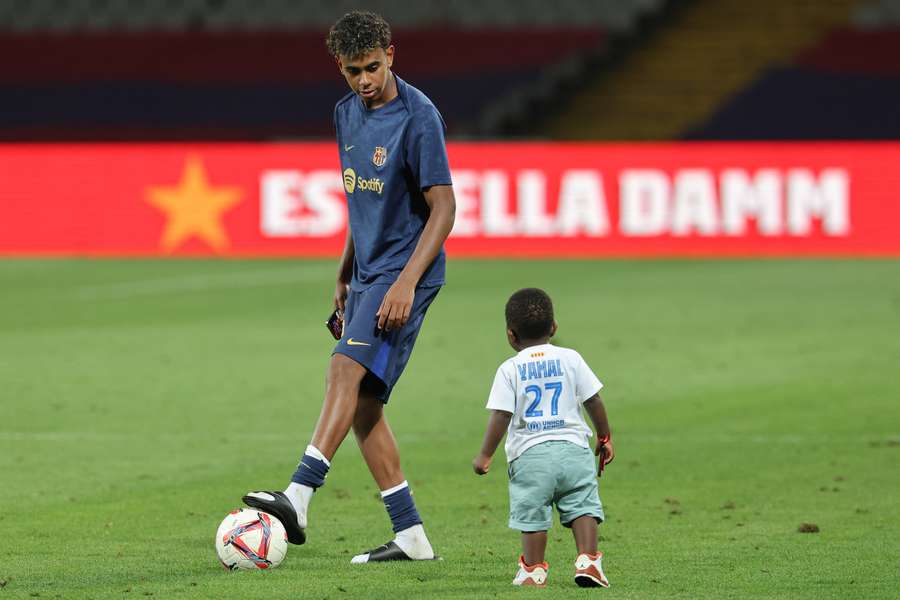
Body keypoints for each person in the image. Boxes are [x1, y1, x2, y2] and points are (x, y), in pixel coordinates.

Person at [243, 11, 455, 564]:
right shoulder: (346, 114)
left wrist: (406, 282)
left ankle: (298, 496)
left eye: (374, 67)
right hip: (367, 272)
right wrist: (345, 269)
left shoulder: (419, 116)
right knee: (363, 407)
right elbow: (363, 200)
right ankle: (411, 536)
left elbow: (444, 206)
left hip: (406, 273)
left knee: (343, 369)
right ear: (339, 67)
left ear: (392, 53)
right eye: (353, 71)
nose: (365, 80)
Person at [472, 288, 615, 587]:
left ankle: (534, 569)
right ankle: (588, 562)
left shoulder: (509, 369)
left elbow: (501, 415)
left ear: (511, 335)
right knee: (583, 506)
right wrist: (604, 436)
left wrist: (485, 455)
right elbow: (594, 400)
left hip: (531, 455)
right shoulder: (571, 358)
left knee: (533, 513)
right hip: (574, 449)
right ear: (553, 327)